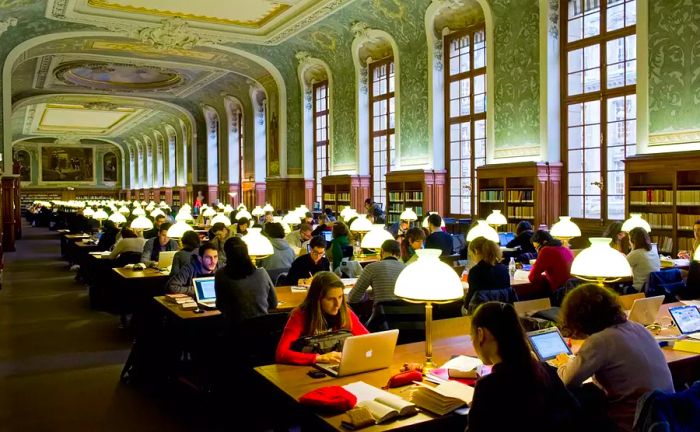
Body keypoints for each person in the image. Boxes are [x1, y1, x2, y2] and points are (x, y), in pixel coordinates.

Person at [557, 284, 674, 431]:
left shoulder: (600, 341)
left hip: (634, 423)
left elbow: (568, 381)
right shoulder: (637, 327)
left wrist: (563, 364)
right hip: (666, 418)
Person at [467, 302, 581, 432]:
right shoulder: (544, 370)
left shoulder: (487, 387)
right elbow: (574, 410)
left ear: (481, 334)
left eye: (472, 337)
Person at [275, 271, 368, 365]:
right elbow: (281, 354)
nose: (337, 304)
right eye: (331, 299)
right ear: (317, 299)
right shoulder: (300, 315)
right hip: (307, 370)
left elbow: (368, 340)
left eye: (340, 297)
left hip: (338, 365)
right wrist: (319, 358)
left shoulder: (344, 312)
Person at [215, 237, 277, 323]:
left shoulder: (221, 274)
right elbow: (273, 303)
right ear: (247, 252)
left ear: (226, 254)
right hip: (262, 330)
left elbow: (220, 306)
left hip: (235, 329)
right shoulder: (262, 273)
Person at [463, 237, 511, 313]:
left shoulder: (475, 271)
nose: (472, 258)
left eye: (471, 255)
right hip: (503, 313)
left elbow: (469, 302)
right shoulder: (504, 269)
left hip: (481, 315)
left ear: (475, 251)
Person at [348, 240, 404, 304]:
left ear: (382, 251)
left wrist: (369, 294)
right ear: (399, 254)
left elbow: (352, 298)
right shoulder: (407, 269)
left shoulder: (371, 268)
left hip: (382, 312)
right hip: (407, 312)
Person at [528, 230, 574, 294]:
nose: (537, 251)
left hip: (560, 293)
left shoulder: (546, 250)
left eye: (537, 248)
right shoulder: (565, 248)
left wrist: (546, 278)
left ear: (544, 242)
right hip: (571, 290)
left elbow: (532, 277)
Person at [626, 227, 660, 292]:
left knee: (618, 289)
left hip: (640, 289)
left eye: (629, 239)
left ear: (633, 240)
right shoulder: (653, 252)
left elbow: (622, 267)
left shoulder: (635, 253)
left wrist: (633, 248)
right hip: (653, 289)